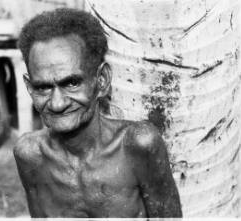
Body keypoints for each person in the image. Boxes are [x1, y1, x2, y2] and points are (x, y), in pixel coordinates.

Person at [14, 8, 182, 218]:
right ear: (30, 88)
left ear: (101, 80)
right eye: (43, 87)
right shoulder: (30, 155)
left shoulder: (137, 145)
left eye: (72, 83)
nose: (57, 104)